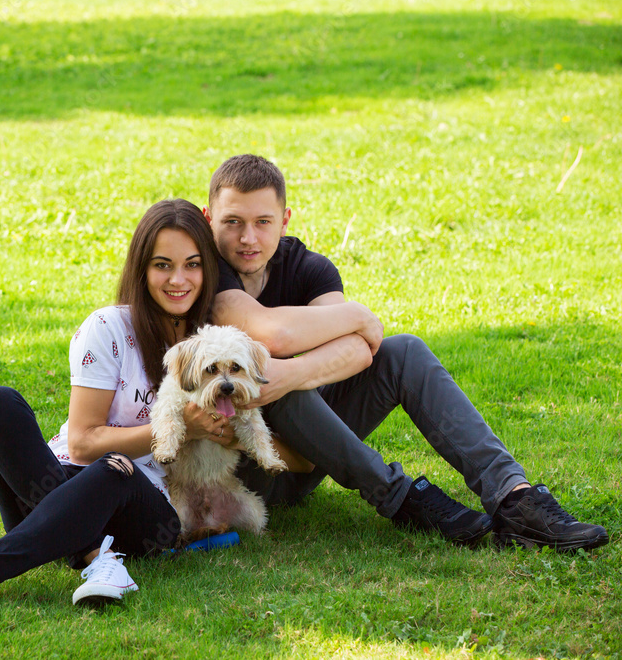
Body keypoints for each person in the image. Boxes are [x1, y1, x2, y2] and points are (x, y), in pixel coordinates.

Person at [0, 199, 311, 629]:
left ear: (207, 271)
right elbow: (80, 442)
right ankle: (97, 556)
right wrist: (179, 429)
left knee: (113, 469)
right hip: (54, 482)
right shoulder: (108, 329)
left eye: (192, 265)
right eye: (162, 265)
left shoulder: (214, 346)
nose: (178, 279)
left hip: (148, 507)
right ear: (141, 270)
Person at [203, 153, 608, 551]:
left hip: (311, 454)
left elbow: (358, 352)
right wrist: (356, 316)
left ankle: (515, 499)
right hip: (245, 476)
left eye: (263, 222)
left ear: (285, 219)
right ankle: (399, 496)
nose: (248, 238)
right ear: (209, 219)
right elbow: (271, 335)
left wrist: (291, 375)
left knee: (403, 352)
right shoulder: (203, 271)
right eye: (233, 222)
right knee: (272, 377)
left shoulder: (310, 268)